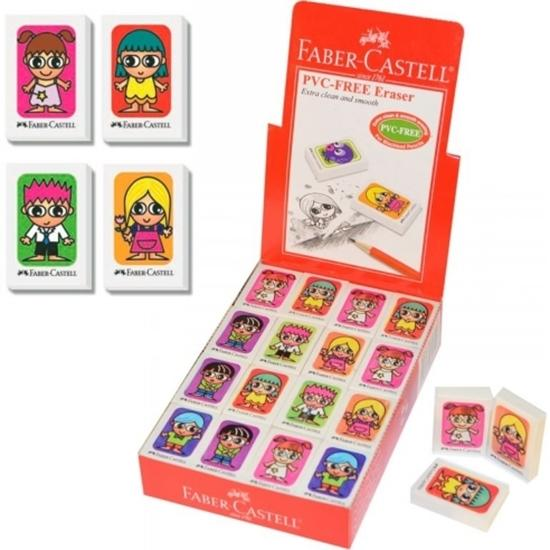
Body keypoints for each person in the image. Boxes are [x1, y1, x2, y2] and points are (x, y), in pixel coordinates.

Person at [18, 28, 75, 113]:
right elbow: (33, 82)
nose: (46, 70)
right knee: (38, 99)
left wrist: (64, 85)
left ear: (66, 61)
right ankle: (39, 107)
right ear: (26, 60)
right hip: (39, 87)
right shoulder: (37, 79)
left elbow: (57, 81)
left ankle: (52, 107)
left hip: (51, 87)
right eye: (37, 62)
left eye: (55, 63)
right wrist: (28, 87)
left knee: (52, 98)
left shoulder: (54, 79)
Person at [20, 179, 74, 262]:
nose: (47, 218)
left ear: (69, 210)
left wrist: (66, 239)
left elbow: (62, 232)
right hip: (40, 241)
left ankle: (53, 256)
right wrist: (28, 238)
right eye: (37, 211)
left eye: (57, 211)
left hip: (53, 241)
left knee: (53, 249)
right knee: (39, 248)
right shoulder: (36, 226)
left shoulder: (58, 226)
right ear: (25, 210)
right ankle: (39, 256)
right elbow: (32, 232)